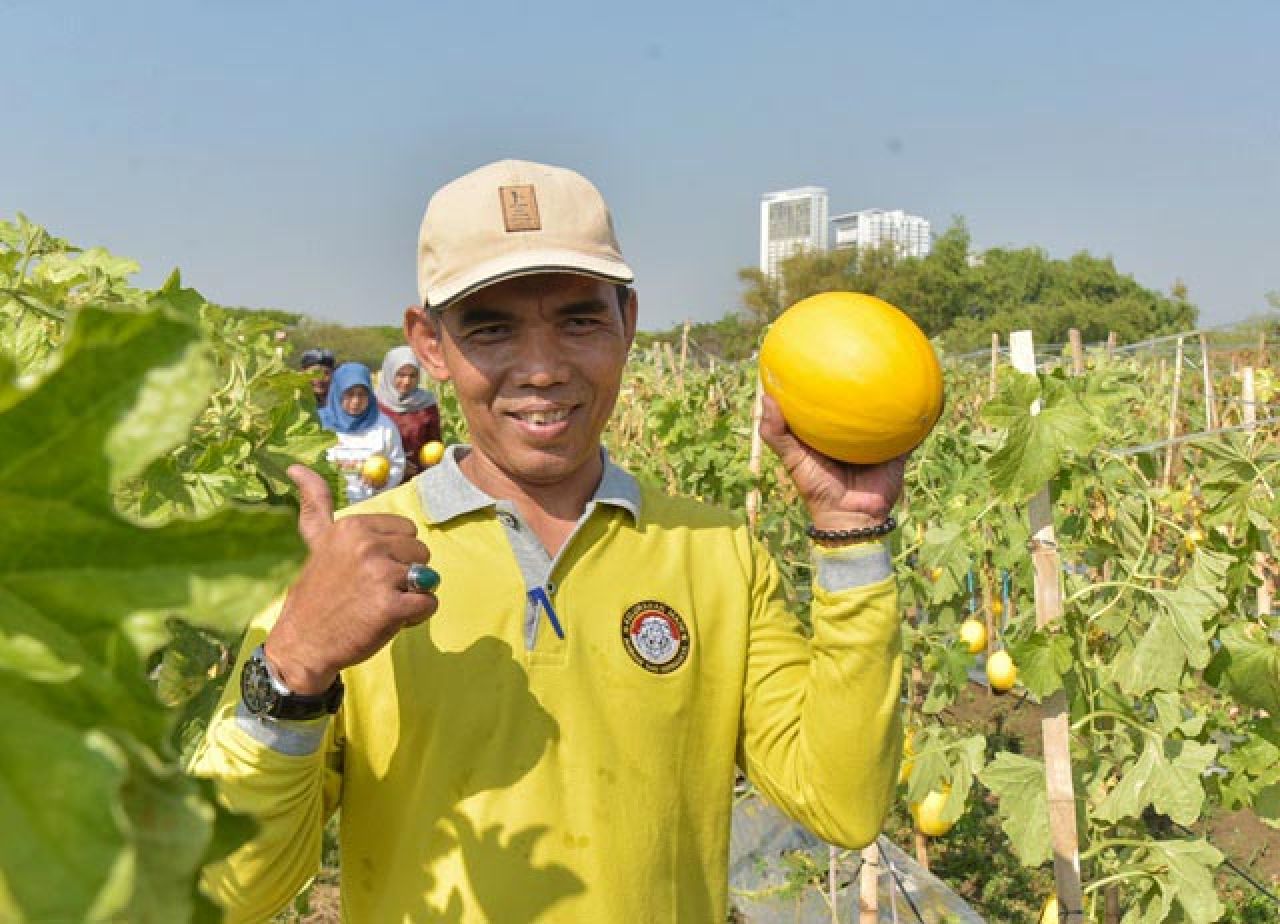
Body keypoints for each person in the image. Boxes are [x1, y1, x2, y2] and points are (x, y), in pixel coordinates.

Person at [192, 159, 906, 923]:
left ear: (628, 322)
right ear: (429, 344)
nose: (541, 369)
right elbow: (223, 891)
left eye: (578, 320)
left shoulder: (715, 551)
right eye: (491, 328)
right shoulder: (349, 562)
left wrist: (850, 534)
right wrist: (295, 665)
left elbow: (842, 803)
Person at [318, 361, 406, 505]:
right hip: (328, 505)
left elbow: (397, 464)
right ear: (337, 392)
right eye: (349, 394)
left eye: (362, 395)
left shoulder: (384, 426)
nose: (356, 401)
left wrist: (384, 482)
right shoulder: (319, 424)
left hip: (370, 505)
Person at [375, 344, 442, 478]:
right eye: (400, 375)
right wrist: (398, 466)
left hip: (419, 477)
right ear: (389, 372)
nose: (406, 381)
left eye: (412, 376)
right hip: (383, 478)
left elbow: (434, 444)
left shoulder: (427, 404)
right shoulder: (375, 404)